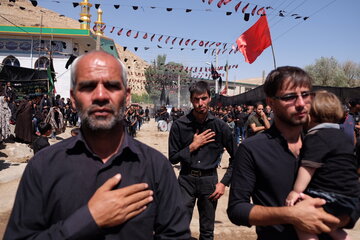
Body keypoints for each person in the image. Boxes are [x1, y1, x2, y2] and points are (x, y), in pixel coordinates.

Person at [4, 50, 190, 240]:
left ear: (127, 97)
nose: (101, 95)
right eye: (88, 87)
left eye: (111, 86)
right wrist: (87, 219)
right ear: (74, 99)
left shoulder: (156, 167)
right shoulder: (43, 167)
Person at [227, 66, 343, 240]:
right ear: (271, 103)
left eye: (305, 95)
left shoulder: (326, 143)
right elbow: (237, 209)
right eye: (289, 97)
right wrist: (290, 214)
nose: (301, 104)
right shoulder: (252, 148)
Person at [285, 90, 360, 240]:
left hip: (329, 197)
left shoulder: (316, 137)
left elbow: (308, 168)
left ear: (311, 115)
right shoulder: (343, 136)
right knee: (330, 227)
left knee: (300, 221)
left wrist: (295, 191)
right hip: (352, 198)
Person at [169, 80, 236, 240]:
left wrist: (223, 183)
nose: (200, 103)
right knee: (179, 228)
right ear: (191, 100)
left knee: (207, 232)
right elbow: (172, 158)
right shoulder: (179, 125)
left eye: (204, 98)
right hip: (185, 181)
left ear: (209, 98)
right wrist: (192, 146)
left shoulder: (220, 126)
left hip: (209, 182)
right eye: (196, 99)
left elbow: (238, 158)